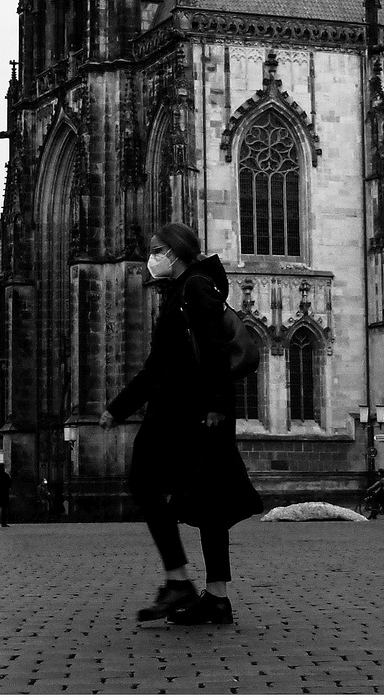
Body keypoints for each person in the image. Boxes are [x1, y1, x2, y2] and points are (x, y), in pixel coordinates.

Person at [100, 222, 262, 625]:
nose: (151, 257)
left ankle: (178, 581)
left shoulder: (194, 288)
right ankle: (216, 597)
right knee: (209, 500)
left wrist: (218, 406)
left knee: (144, 480)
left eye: (157, 249)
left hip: (188, 412)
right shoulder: (185, 289)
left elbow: (211, 349)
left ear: (176, 251)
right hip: (189, 410)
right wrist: (119, 407)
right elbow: (160, 363)